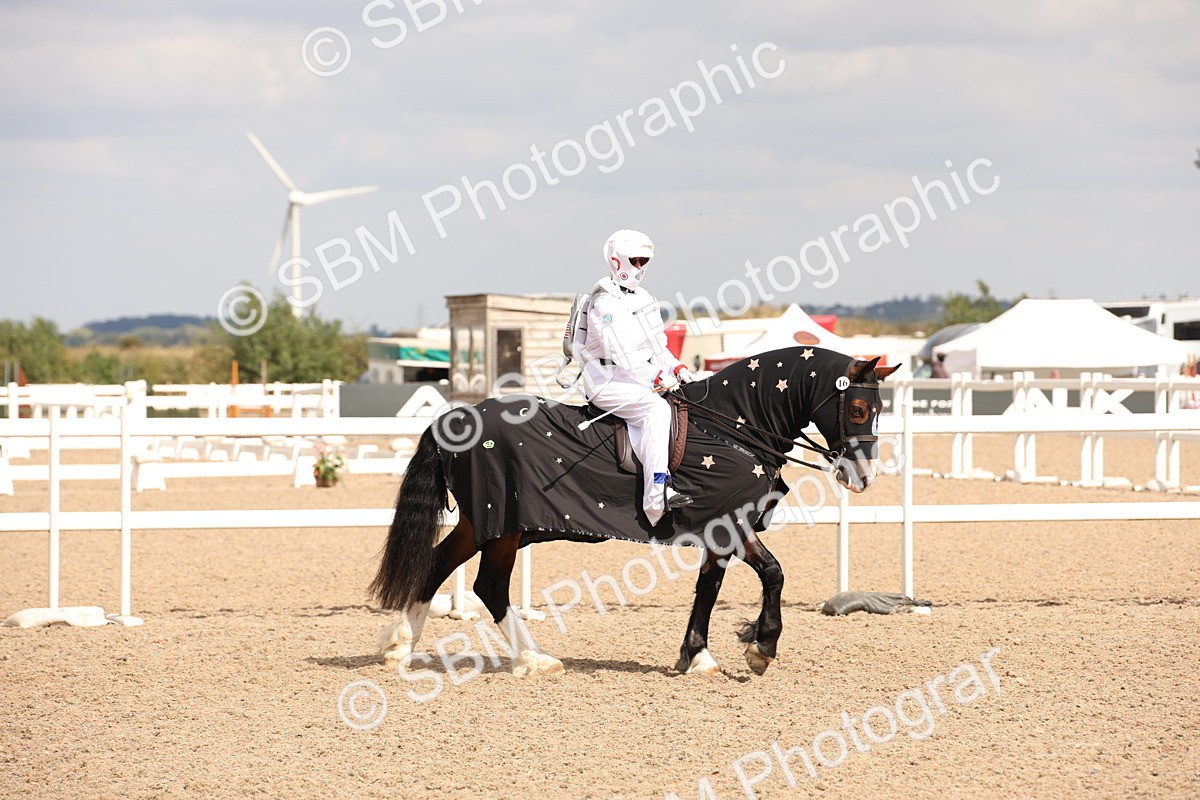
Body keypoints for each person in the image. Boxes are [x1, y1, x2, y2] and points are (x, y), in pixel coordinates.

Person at [579, 229, 695, 525]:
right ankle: (657, 497)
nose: (641, 267)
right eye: (636, 260)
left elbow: (658, 347)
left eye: (645, 261)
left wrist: (676, 368)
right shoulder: (602, 301)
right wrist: (656, 376)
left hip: (638, 378)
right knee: (656, 411)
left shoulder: (645, 298)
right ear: (616, 261)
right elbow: (621, 354)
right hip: (607, 382)